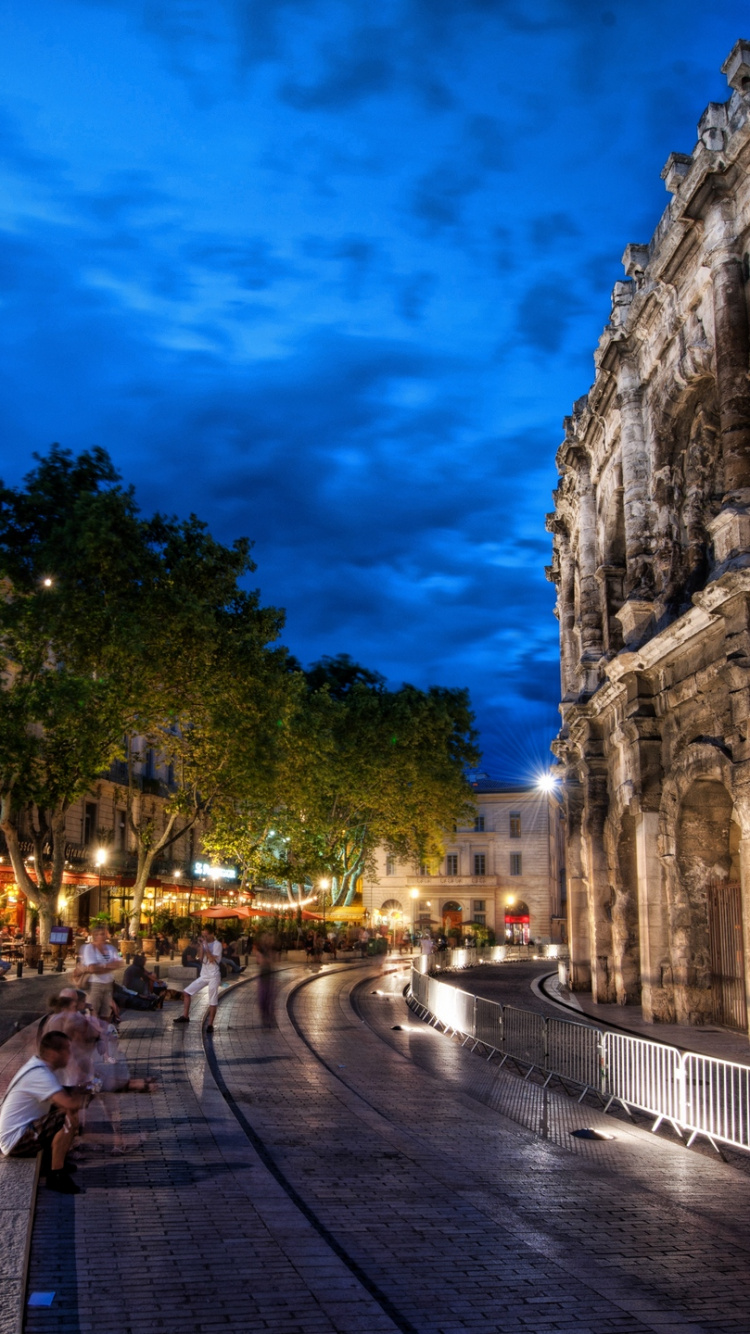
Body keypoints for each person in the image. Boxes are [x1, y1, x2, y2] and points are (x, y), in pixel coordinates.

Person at [0, 1031, 91, 1193]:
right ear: (52, 1053)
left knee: (61, 1108)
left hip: (19, 1133)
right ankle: (56, 1174)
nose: (70, 1055)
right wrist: (87, 1092)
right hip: (16, 1141)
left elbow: (62, 1093)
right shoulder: (40, 1074)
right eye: (66, 1050)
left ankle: (52, 1162)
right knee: (66, 1115)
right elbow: (69, 1103)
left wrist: (82, 1089)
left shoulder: (37, 1066)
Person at [173, 928, 222, 1033]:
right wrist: (201, 946)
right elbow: (200, 959)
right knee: (186, 992)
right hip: (204, 975)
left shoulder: (217, 945)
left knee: (212, 1000)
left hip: (213, 975)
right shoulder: (203, 944)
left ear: (212, 934)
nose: (204, 937)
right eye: (203, 935)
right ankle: (185, 1016)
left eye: (206, 935)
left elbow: (212, 959)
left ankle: (210, 1025)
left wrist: (207, 947)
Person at [81, 925, 123, 1021]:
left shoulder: (110, 948)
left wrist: (101, 966)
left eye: (105, 934)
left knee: (106, 1012)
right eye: (101, 934)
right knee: (93, 1011)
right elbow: (92, 968)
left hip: (108, 984)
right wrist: (109, 966)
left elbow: (119, 963)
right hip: (94, 984)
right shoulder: (89, 948)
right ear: (95, 935)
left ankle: (104, 1033)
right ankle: (93, 1034)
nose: (104, 936)